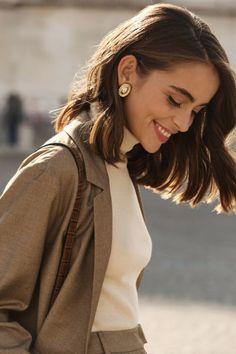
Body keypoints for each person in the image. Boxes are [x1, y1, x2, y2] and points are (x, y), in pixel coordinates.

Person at [0, 3, 236, 353]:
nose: (185, 124)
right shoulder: (56, 168)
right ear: (128, 71)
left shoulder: (119, 164)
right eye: (174, 100)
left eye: (196, 111)